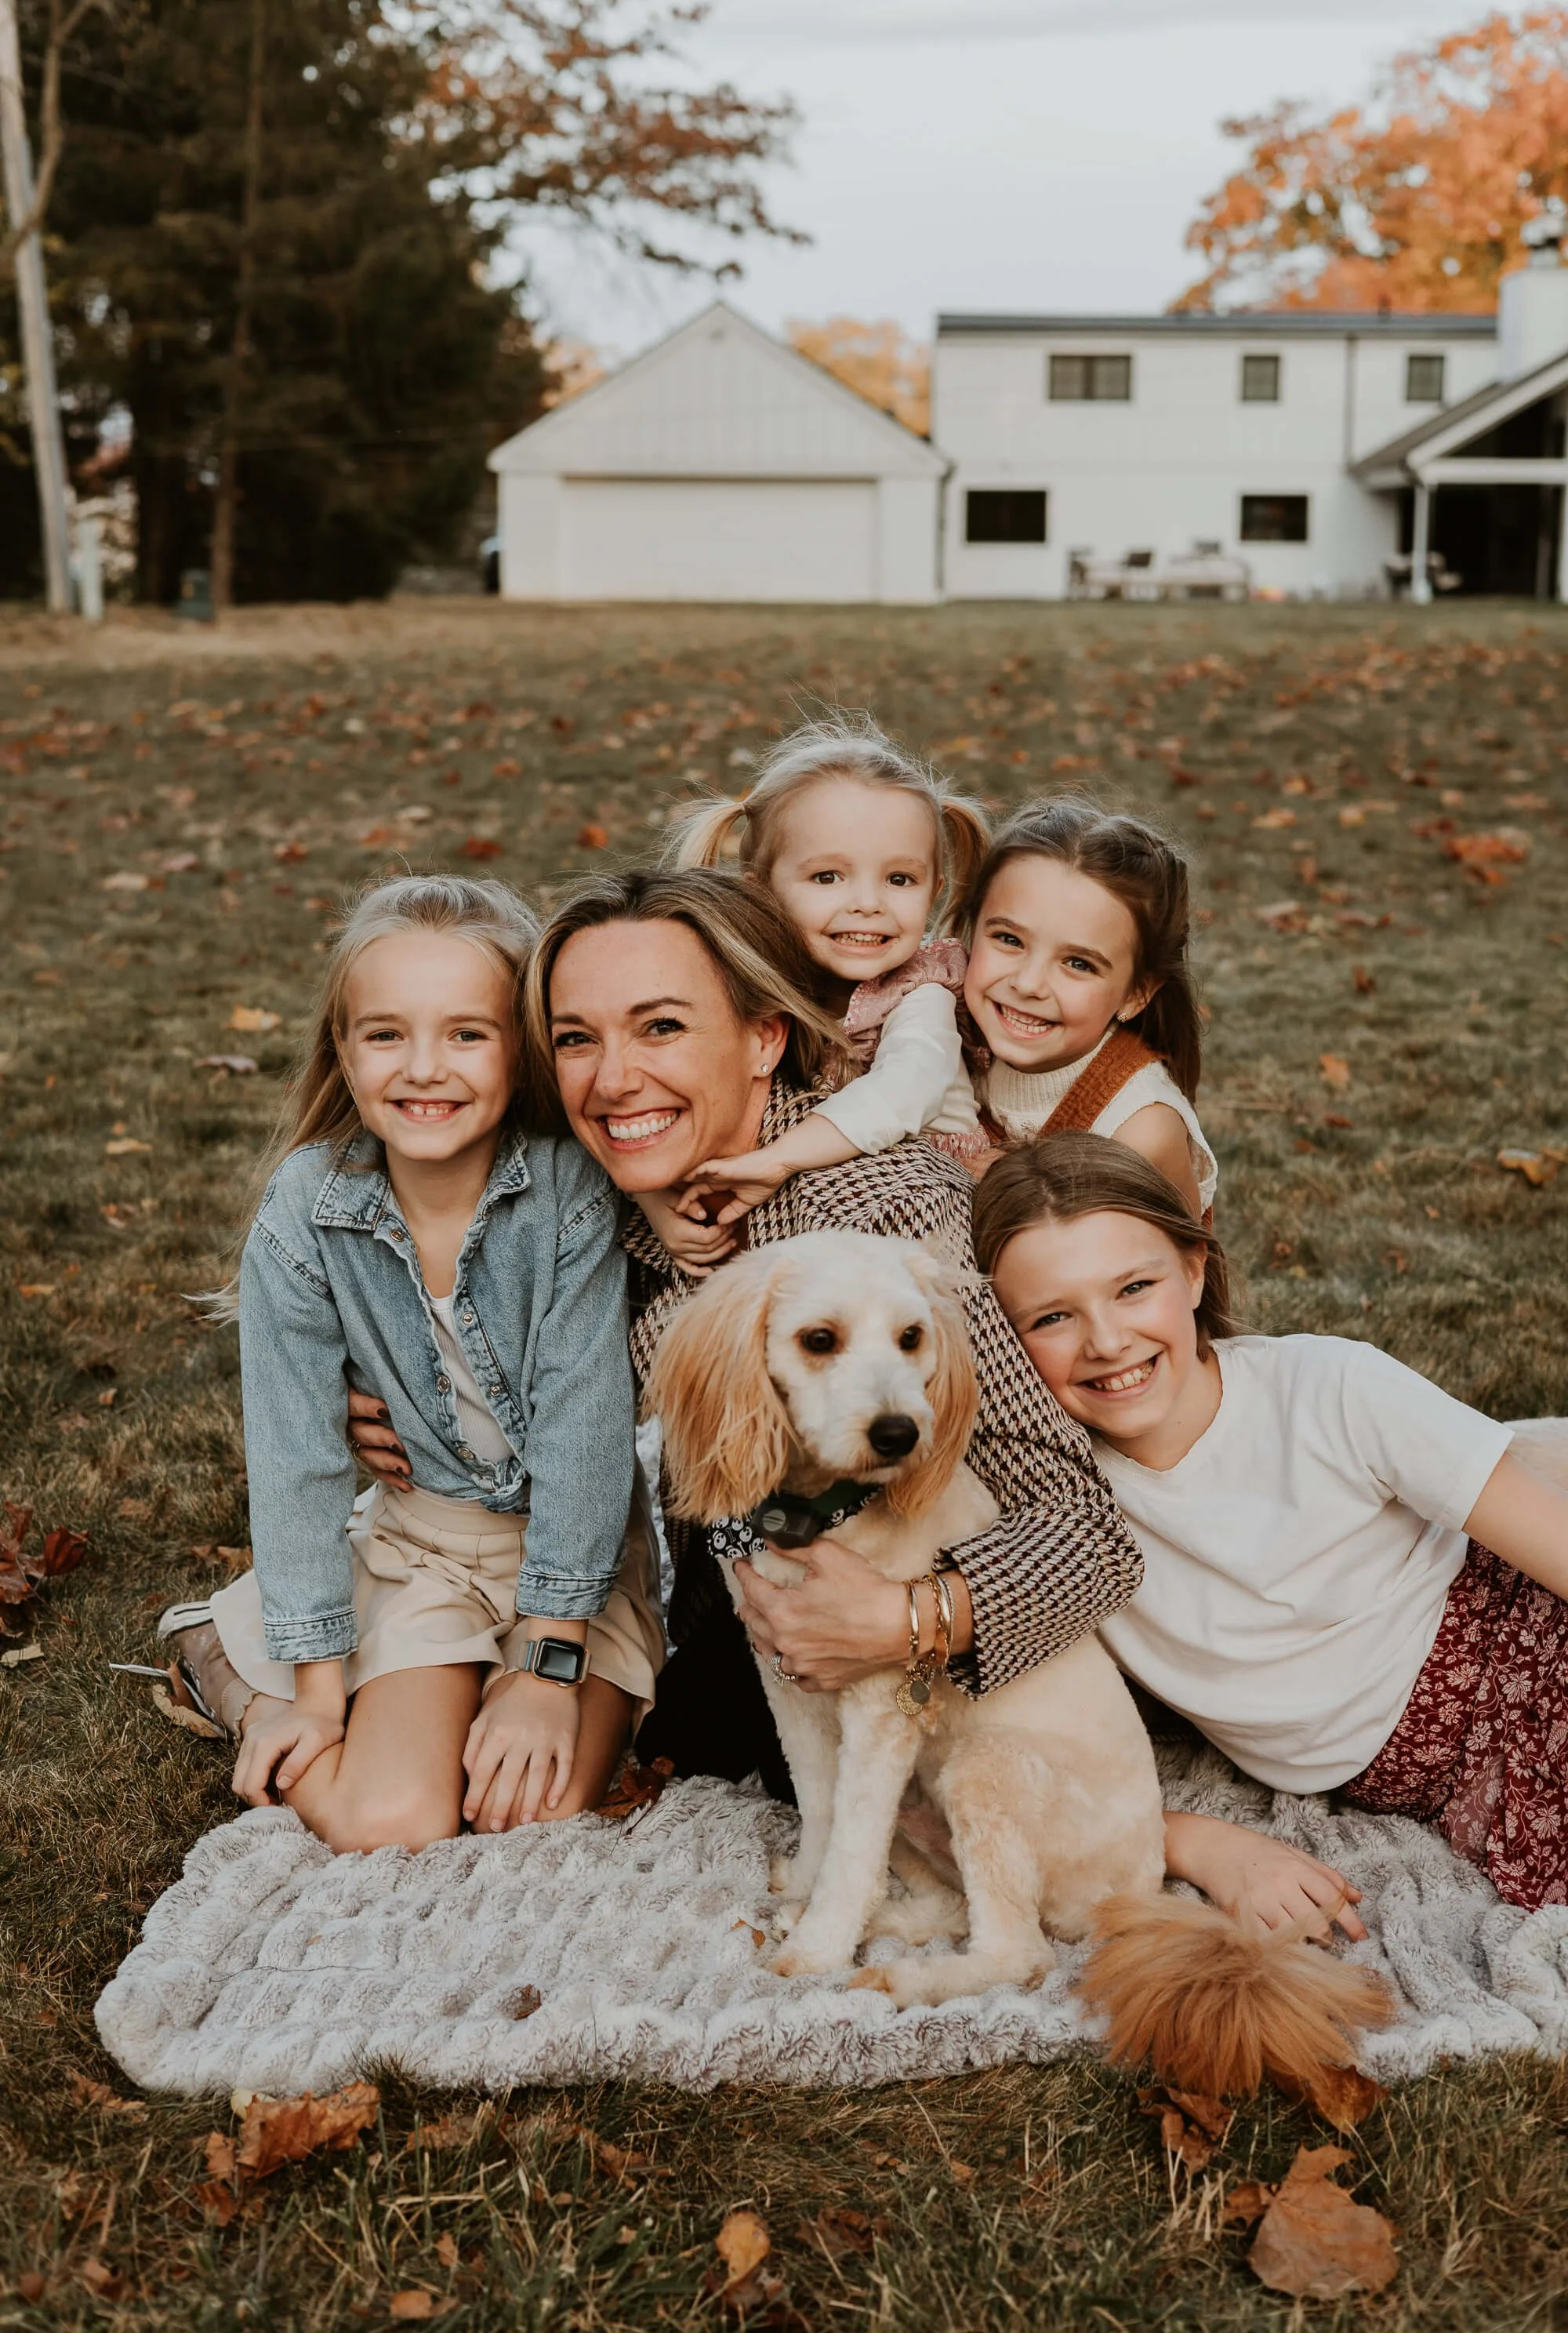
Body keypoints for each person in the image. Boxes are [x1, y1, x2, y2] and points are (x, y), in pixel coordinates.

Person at [348, 867, 1148, 1795]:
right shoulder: (581, 1207)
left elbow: (1087, 1532)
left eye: (661, 1027)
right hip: (720, 1611)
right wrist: (371, 1396)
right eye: (576, 1039)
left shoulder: (874, 1213)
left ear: (764, 1039)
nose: (613, 1080)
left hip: (938, 1653)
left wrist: (910, 1618)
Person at [163, 874, 662, 1853]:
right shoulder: (305, 1214)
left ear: (518, 1049)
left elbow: (585, 1431)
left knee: (530, 1811)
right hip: (420, 1550)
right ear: (342, 1053)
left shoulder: (568, 1195)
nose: (423, 1068)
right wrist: (309, 1698)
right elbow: (298, 1459)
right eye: (386, 1034)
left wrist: (545, 1667)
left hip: (578, 1566)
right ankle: (229, 1662)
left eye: (467, 1034)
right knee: (389, 1820)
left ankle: (482, 1680)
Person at [975, 1129, 1568, 1927]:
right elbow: (978, 1777)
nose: (1106, 1341)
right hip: (1450, 1773)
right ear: (1001, 1343)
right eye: (1051, 1316)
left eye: (1131, 1288)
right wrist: (1192, 1843)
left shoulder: (1330, 1390)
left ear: (1191, 1270)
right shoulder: (1049, 1509)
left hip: (1522, 1643)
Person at [652, 715, 991, 1270]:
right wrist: (656, 1201)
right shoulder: (743, 979)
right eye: (828, 877)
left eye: (899, 879)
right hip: (795, 1208)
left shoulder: (919, 992)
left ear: (935, 887)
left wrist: (780, 1160)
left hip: (929, 1214)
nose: (867, 903)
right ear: (759, 887)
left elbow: (909, 1086)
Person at [955, 799, 1218, 1218]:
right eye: (1009, 939)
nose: (1028, 984)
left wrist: (1012, 1189)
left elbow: (1163, 1273)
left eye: (1078, 963)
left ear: (1136, 994)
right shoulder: (943, 1026)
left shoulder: (1137, 1129)